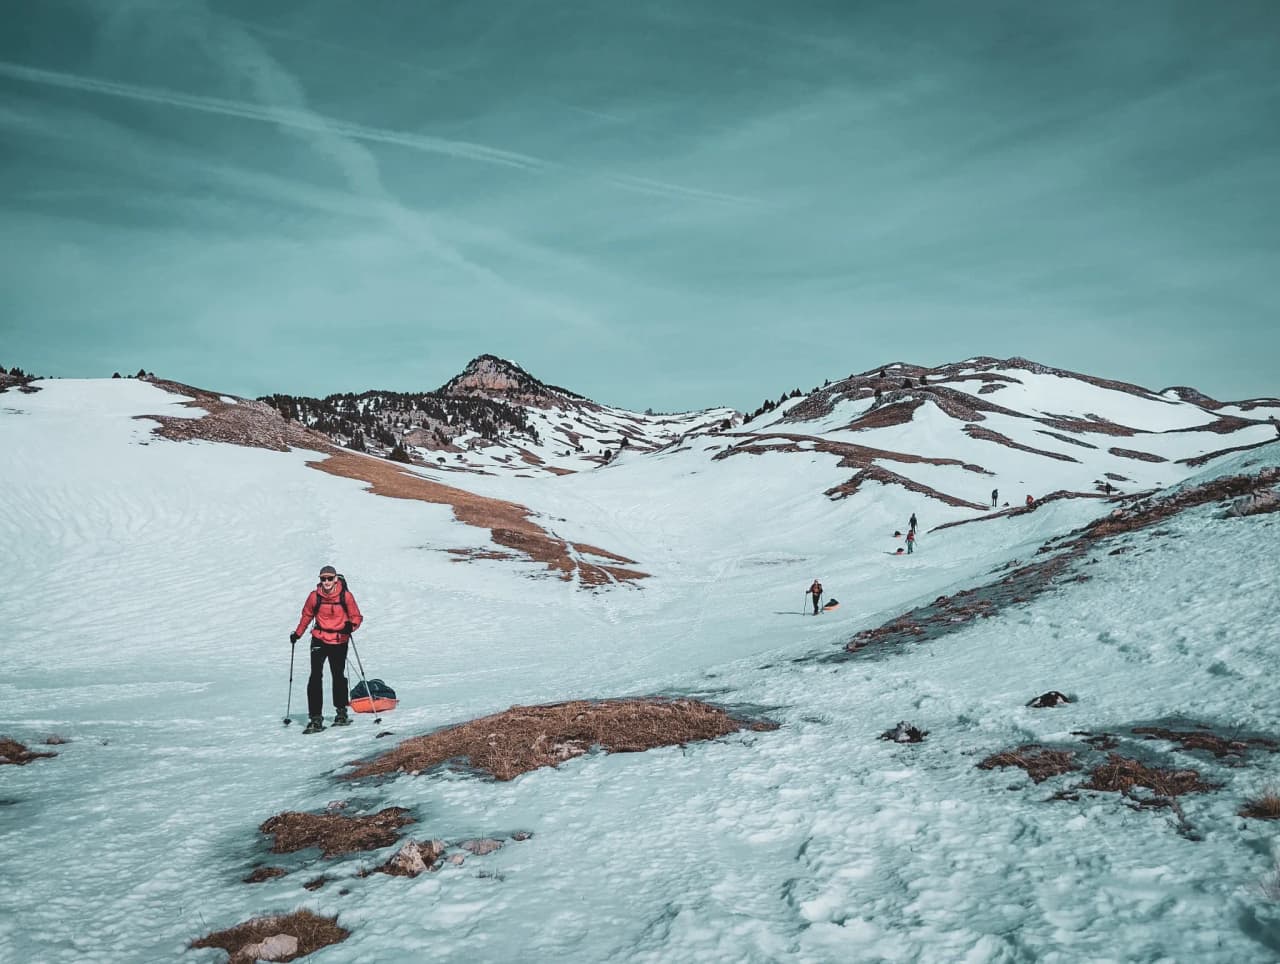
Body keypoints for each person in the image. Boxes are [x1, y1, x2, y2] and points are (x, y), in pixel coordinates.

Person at [290, 565, 363, 734]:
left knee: (337, 675)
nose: (327, 582)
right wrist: (298, 634)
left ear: (336, 579)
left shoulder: (346, 596)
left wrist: (350, 627)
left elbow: (356, 616)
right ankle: (315, 718)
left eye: (330, 578)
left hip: (339, 640)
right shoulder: (314, 597)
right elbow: (307, 615)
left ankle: (341, 713)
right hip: (319, 638)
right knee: (315, 676)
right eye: (323, 579)